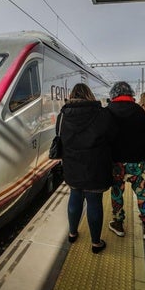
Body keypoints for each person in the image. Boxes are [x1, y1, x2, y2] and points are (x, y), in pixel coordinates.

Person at [57, 83, 116, 253]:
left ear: (72, 95)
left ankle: (72, 233)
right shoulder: (103, 114)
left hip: (73, 164)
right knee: (94, 202)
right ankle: (96, 243)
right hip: (96, 166)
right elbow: (112, 136)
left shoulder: (63, 115)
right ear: (90, 95)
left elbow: (60, 137)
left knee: (75, 195)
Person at [107, 82, 145, 241]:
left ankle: (118, 223)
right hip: (137, 162)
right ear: (130, 94)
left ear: (113, 94)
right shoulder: (138, 111)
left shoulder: (108, 111)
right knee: (142, 194)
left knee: (116, 193)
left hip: (116, 163)